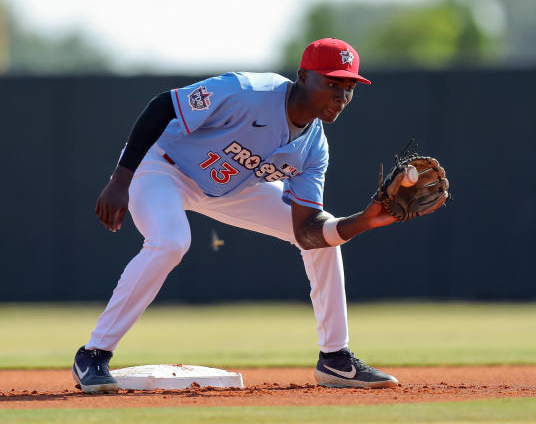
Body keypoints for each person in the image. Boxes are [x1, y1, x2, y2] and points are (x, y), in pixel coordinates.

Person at [72, 38, 402, 393]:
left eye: (349, 87)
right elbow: (163, 105)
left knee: (325, 237)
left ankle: (335, 358)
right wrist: (121, 178)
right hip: (164, 166)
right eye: (332, 83)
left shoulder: (314, 148)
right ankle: (93, 354)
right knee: (170, 242)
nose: (341, 96)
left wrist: (364, 220)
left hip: (233, 188)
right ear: (303, 76)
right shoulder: (248, 91)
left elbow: (307, 231)